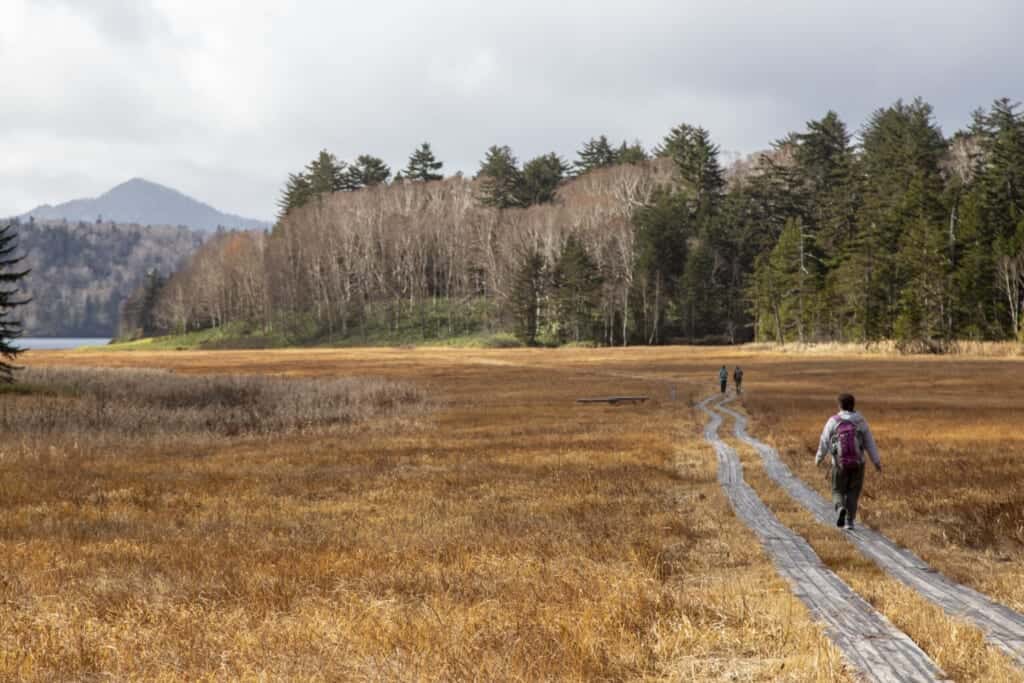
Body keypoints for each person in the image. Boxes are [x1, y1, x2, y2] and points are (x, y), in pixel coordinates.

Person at [814, 393, 881, 531]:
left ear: (839, 405)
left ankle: (840, 509)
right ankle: (849, 521)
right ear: (853, 405)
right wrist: (876, 461)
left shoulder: (833, 421)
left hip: (838, 465)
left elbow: (824, 441)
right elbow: (869, 442)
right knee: (853, 492)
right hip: (858, 464)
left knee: (837, 490)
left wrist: (819, 458)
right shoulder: (860, 421)